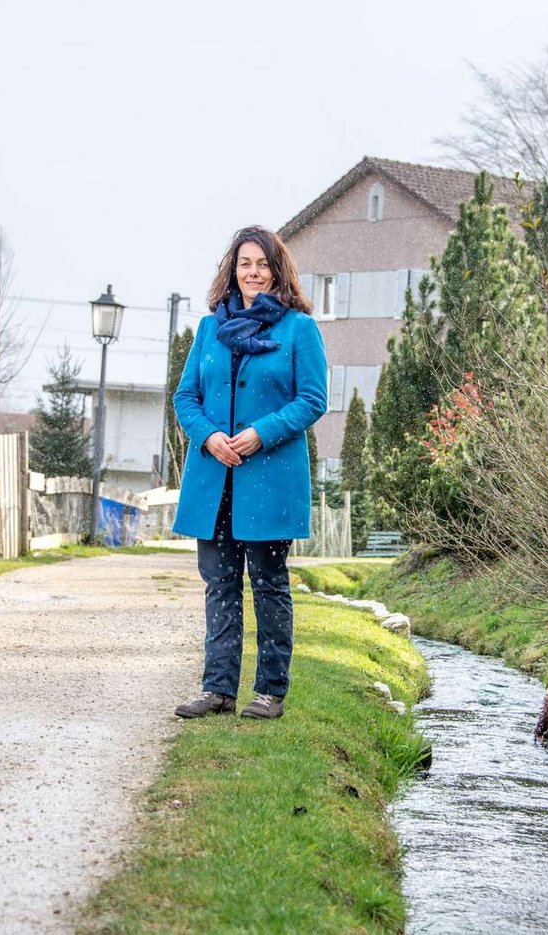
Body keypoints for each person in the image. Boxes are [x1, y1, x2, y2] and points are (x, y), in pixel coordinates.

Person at [171, 225, 327, 720]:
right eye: (244, 263)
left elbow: (313, 399)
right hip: (214, 479)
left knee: (268, 584)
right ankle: (217, 690)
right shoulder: (208, 330)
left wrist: (262, 432)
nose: (253, 272)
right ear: (232, 270)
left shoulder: (299, 329)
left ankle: (270, 693)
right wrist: (209, 436)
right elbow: (185, 397)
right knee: (219, 585)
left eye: (262, 264)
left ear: (277, 270)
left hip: (269, 480)